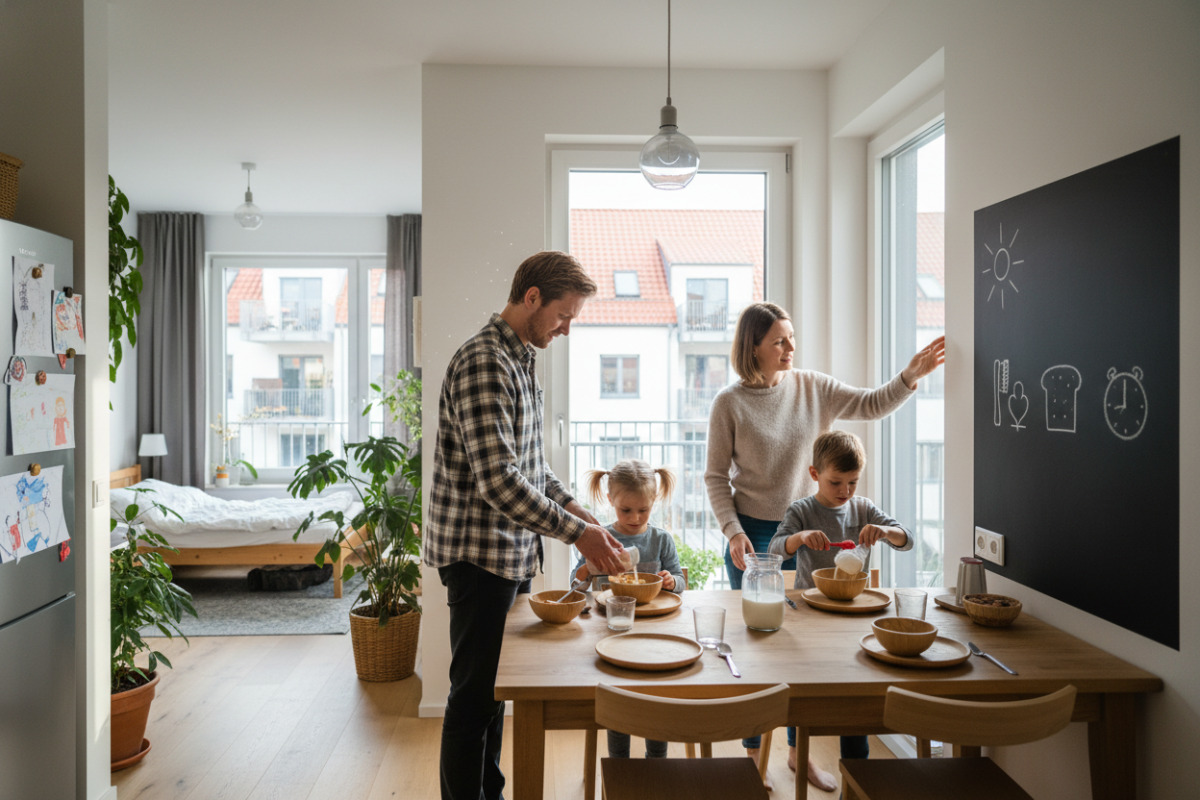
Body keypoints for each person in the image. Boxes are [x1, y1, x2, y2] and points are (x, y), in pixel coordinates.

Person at [703, 301, 944, 791]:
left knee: (801, 654)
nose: (791, 347)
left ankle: (798, 752)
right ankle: (753, 758)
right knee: (757, 652)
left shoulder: (811, 386)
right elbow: (714, 477)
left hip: (806, 526)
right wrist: (733, 532)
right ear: (754, 346)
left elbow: (873, 403)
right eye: (780, 341)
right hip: (753, 534)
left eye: (791, 337)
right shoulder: (729, 403)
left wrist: (910, 375)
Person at [425, 250, 626, 800]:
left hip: (509, 552)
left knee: (493, 695)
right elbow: (498, 481)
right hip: (477, 554)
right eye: (564, 315)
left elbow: (531, 468)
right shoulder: (486, 361)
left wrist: (577, 511)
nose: (565, 329)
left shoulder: (519, 361)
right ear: (532, 298)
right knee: (473, 698)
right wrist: (577, 533)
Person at [760, 429, 912, 763]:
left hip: (854, 614)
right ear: (815, 475)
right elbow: (773, 549)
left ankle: (855, 769)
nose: (845, 491)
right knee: (800, 688)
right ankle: (798, 753)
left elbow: (907, 539)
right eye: (836, 482)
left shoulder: (863, 509)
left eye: (853, 482)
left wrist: (886, 531)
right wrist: (798, 537)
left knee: (854, 691)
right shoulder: (801, 510)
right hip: (810, 614)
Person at [571, 459, 686, 760]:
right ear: (610, 501)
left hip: (655, 633)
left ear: (654, 502)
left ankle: (656, 762)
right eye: (626, 510)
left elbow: (681, 581)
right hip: (611, 633)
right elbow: (576, 587)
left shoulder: (661, 540)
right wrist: (585, 570)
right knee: (617, 699)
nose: (635, 518)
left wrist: (671, 580)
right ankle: (618, 763)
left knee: (656, 698)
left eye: (643, 510)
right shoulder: (599, 539)